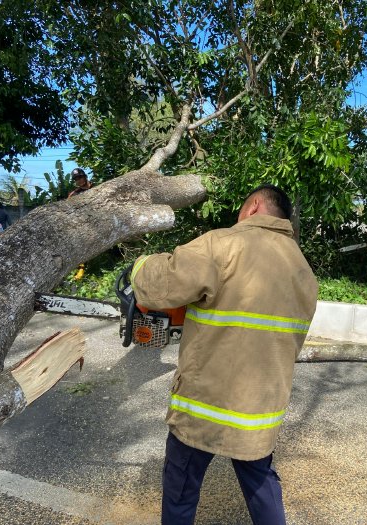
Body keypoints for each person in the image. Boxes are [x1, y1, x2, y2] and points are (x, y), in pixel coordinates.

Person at [130, 184, 318, 525]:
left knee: (181, 486)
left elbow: (166, 283)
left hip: (205, 403)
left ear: (254, 206)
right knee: (261, 483)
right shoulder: (304, 272)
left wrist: (140, 266)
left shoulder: (224, 244)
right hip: (259, 411)